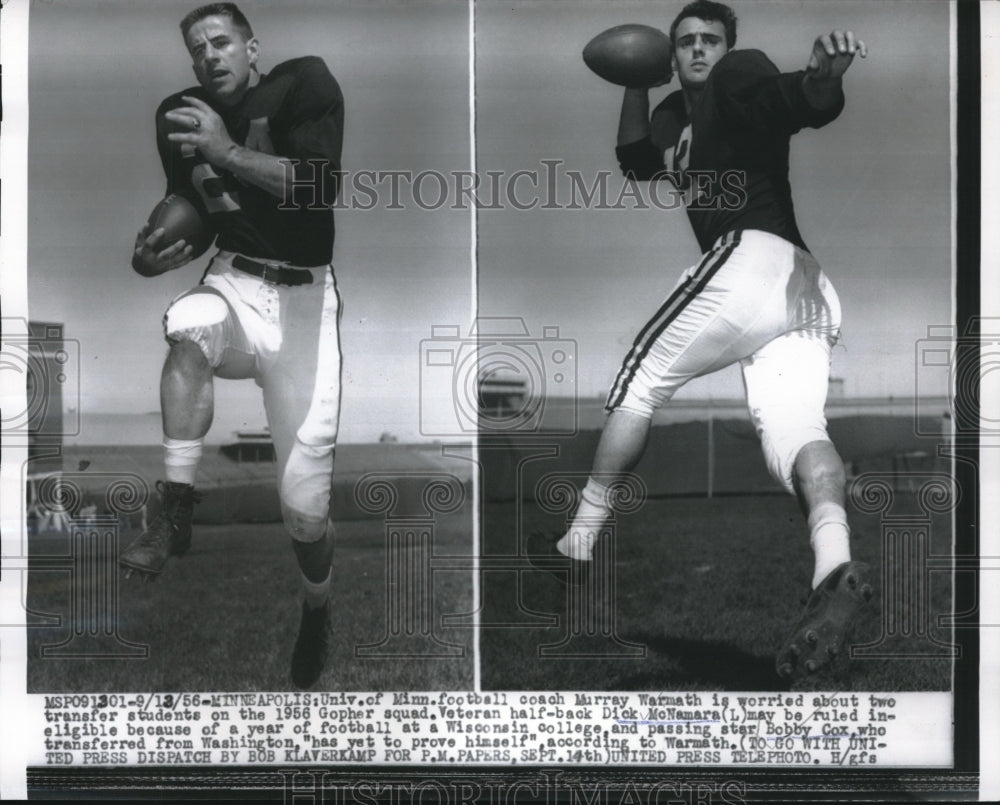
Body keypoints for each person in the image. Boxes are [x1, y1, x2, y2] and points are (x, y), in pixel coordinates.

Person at [531, 0, 872, 682]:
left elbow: (795, 101)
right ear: (669, 53)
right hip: (802, 290)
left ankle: (577, 542)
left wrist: (824, 77)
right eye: (683, 42)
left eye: (709, 39)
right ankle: (836, 566)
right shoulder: (677, 118)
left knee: (639, 375)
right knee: (796, 436)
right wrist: (636, 76)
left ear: (728, 45)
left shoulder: (736, 76)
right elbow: (636, 158)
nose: (696, 50)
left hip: (753, 256)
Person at [118, 2, 345, 689]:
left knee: (305, 511)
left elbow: (318, 185)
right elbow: (192, 208)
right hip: (235, 283)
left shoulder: (304, 82)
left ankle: (317, 606)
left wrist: (227, 151)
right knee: (187, 323)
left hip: (306, 303)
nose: (208, 55)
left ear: (253, 47)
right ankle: (175, 507)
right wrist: (154, 253)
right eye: (197, 48)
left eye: (221, 41)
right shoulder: (179, 113)